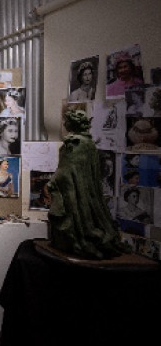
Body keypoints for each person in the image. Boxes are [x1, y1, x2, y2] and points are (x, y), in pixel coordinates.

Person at [47, 109, 126, 259]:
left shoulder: (74, 143)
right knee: (80, 211)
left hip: (72, 186)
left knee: (72, 213)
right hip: (82, 187)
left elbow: (66, 169)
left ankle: (79, 239)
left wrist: (54, 180)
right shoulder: (89, 144)